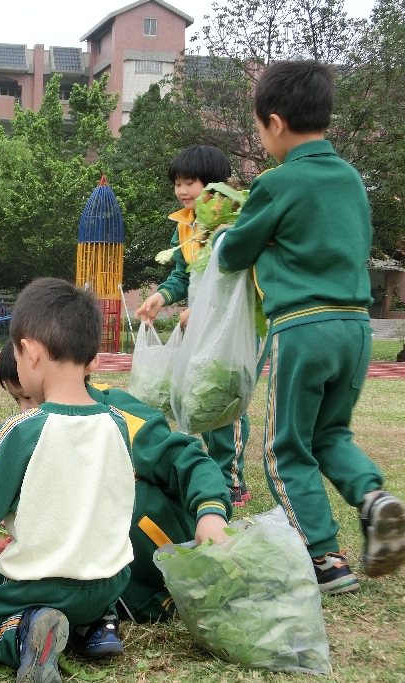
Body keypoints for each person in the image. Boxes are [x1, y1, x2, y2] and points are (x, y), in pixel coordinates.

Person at [216, 60, 405, 592]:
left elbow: (234, 254)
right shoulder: (350, 179)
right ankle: (373, 498)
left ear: (273, 123)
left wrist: (227, 238)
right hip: (356, 327)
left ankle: (324, 558)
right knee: (331, 433)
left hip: (302, 327)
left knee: (285, 448)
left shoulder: (278, 183)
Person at [0, 279, 137, 681]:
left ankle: (26, 632)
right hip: (109, 584)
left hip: (43, 585)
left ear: (28, 353)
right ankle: (98, 627)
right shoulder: (118, 424)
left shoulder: (24, 428)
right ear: (94, 360)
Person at [0, 345, 232, 625]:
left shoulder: (117, 417)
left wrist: (211, 513)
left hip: (163, 568)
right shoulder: (34, 434)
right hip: (96, 588)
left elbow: (190, 461)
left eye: (29, 397)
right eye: (17, 400)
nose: (24, 410)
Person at [134, 145, 253, 506]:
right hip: (200, 324)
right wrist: (162, 298)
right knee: (200, 394)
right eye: (177, 183)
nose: (182, 191)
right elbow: (182, 274)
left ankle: (231, 479)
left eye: (190, 183)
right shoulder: (185, 224)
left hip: (229, 325)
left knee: (224, 394)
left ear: (214, 185)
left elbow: (231, 279)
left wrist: (201, 312)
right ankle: (210, 471)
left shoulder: (231, 219)